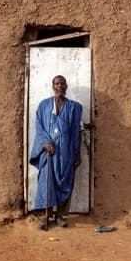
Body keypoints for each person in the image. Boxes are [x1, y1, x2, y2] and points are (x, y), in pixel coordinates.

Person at [30, 75, 83, 229]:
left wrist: (77, 153)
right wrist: (45, 142)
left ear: (66, 86)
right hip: (48, 152)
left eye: (62, 83)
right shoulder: (44, 106)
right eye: (57, 83)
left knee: (65, 182)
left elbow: (76, 131)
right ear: (53, 86)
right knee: (46, 182)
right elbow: (39, 127)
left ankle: (60, 215)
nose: (59, 86)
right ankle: (46, 216)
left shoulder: (75, 107)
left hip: (66, 151)